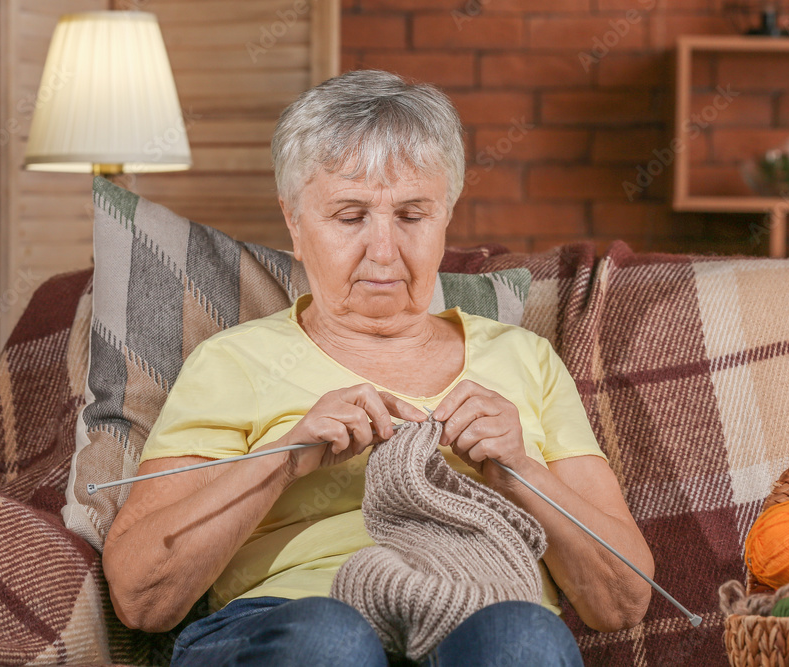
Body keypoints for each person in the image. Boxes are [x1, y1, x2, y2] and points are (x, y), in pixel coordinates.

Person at [102, 69, 654, 667]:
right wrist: (286, 456)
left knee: (523, 639)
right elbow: (141, 596)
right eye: (349, 216)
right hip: (285, 623)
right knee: (331, 636)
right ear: (294, 220)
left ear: (446, 216)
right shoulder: (233, 361)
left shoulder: (525, 359)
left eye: (412, 216)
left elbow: (622, 601)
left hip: (478, 613)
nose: (384, 251)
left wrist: (519, 470)